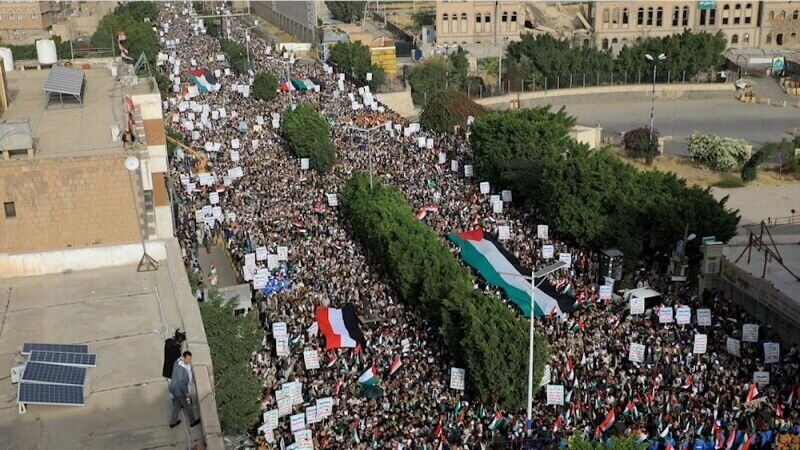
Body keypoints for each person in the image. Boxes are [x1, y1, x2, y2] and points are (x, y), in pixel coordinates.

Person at [169, 351, 201, 428]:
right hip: (180, 391)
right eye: (187, 359)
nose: (189, 361)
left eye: (190, 359)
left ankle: (173, 423)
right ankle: (192, 422)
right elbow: (181, 382)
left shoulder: (178, 361)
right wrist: (186, 393)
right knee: (188, 405)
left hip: (174, 388)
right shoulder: (181, 369)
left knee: (176, 406)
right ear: (183, 357)